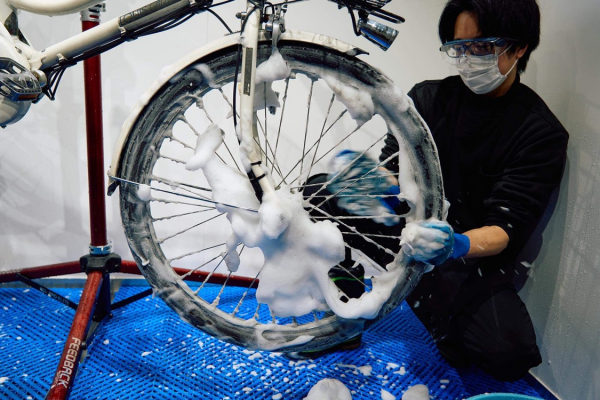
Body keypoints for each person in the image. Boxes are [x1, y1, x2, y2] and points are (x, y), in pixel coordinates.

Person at [300, 0, 568, 382]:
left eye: (482, 47)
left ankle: (433, 306)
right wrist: (367, 183)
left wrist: (454, 244)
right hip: (403, 230)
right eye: (458, 48)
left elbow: (505, 228)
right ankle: (348, 309)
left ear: (519, 46)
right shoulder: (428, 99)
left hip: (465, 258)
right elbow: (394, 173)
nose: (468, 60)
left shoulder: (539, 132)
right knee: (319, 191)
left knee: (508, 352)